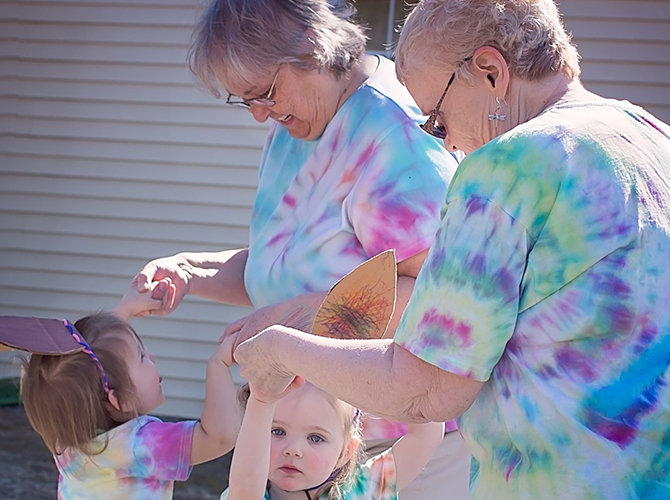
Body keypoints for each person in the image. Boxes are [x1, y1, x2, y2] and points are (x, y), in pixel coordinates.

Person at [232, 0, 670, 499]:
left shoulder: (509, 166)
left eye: (437, 119)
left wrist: (280, 347)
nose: (447, 144)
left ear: (489, 72)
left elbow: (425, 389)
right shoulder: (652, 138)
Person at [132, 1, 468, 497]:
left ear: (313, 49)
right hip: (309, 447)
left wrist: (309, 314)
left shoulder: (394, 137)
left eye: (264, 93)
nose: (258, 115)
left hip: (397, 449)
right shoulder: (301, 121)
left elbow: (451, 297)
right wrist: (190, 272)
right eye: (243, 99)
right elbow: (286, 270)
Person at [20, 279, 242, 499]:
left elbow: (96, 359)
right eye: (142, 357)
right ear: (118, 400)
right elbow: (218, 438)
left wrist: (126, 309)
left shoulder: (67, 440)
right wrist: (219, 364)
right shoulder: (139, 446)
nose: (153, 357)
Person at [222, 380, 444, 500]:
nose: (293, 450)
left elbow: (426, 435)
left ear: (346, 452)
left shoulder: (366, 488)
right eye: (278, 431)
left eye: (315, 438)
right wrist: (261, 402)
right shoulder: (247, 492)